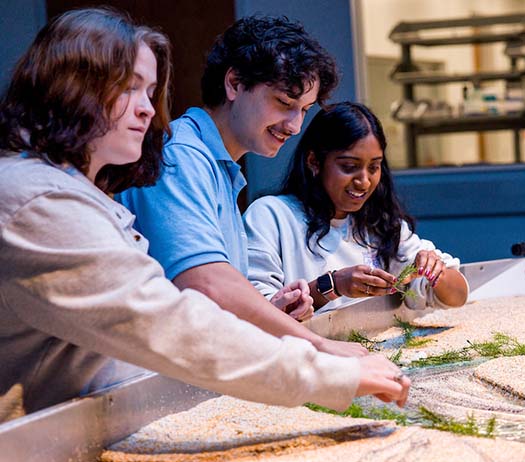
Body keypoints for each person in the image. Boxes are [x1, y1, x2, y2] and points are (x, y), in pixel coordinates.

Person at [0, 8, 408, 423]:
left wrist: (266, 320)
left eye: (150, 91)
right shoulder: (43, 197)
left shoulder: (84, 188)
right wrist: (321, 360)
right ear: (70, 87)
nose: (146, 109)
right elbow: (177, 310)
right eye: (129, 88)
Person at [117, 16, 364, 357]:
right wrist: (319, 346)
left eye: (304, 110)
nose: (294, 126)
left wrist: (270, 313)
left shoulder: (218, 164)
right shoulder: (182, 157)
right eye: (284, 103)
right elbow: (206, 283)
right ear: (234, 83)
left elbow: (211, 309)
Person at [244, 102, 469, 312]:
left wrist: (436, 273)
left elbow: (457, 297)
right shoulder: (271, 216)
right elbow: (259, 311)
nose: (364, 181)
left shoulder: (381, 224)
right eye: (349, 166)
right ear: (314, 162)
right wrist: (334, 285)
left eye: (374, 167)